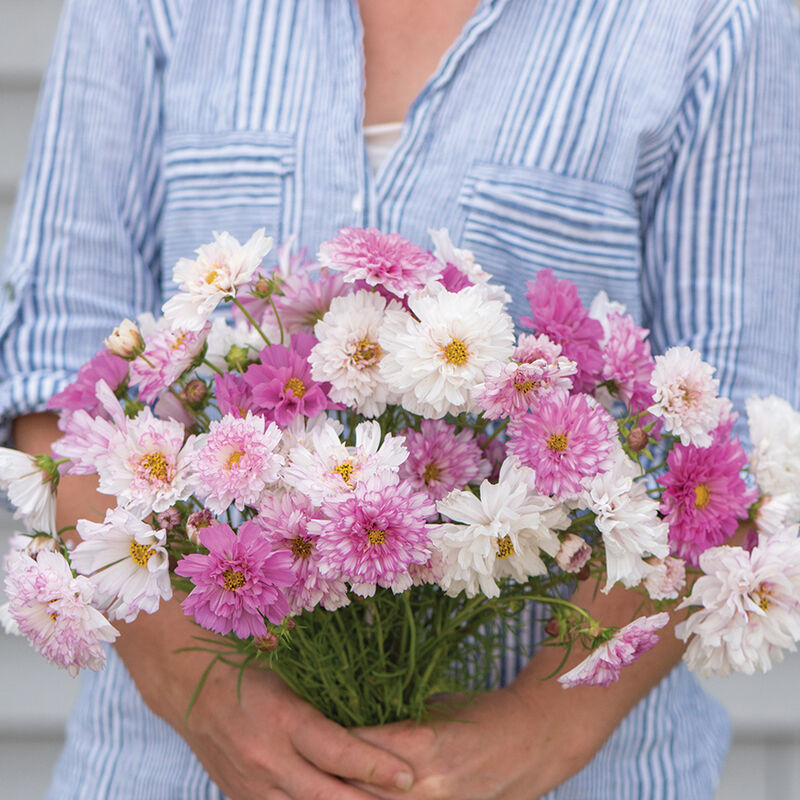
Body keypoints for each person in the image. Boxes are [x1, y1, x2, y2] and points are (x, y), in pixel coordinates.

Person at [2, 0, 799, 797]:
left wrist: (542, 727)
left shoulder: (716, 18)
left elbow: (731, 445)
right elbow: (57, 374)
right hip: (171, 767)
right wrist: (207, 698)